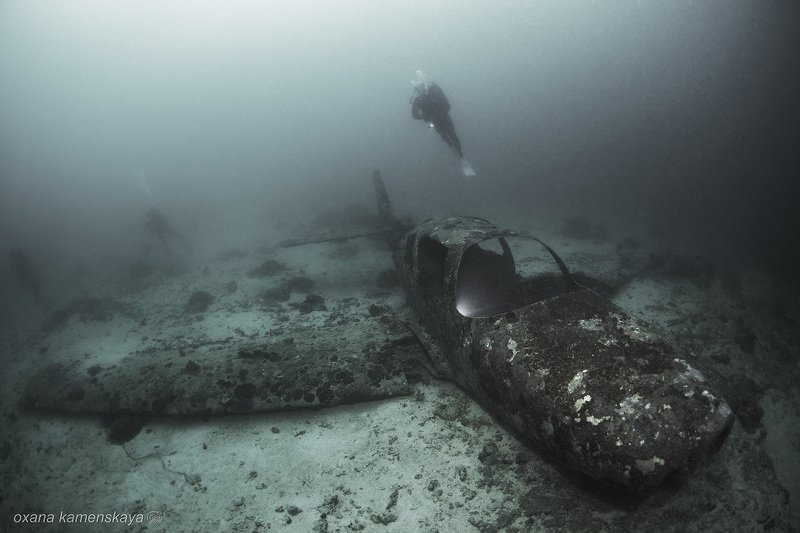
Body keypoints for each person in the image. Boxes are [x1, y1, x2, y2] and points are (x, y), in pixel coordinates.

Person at [410, 71, 475, 176]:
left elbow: (447, 104)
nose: (421, 91)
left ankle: (461, 156)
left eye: (422, 88)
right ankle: (459, 156)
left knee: (452, 135)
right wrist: (425, 117)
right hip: (438, 121)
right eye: (419, 89)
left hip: (443, 118)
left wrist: (436, 114)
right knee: (447, 138)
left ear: (425, 86)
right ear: (417, 90)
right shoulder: (418, 100)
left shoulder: (434, 91)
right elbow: (414, 115)